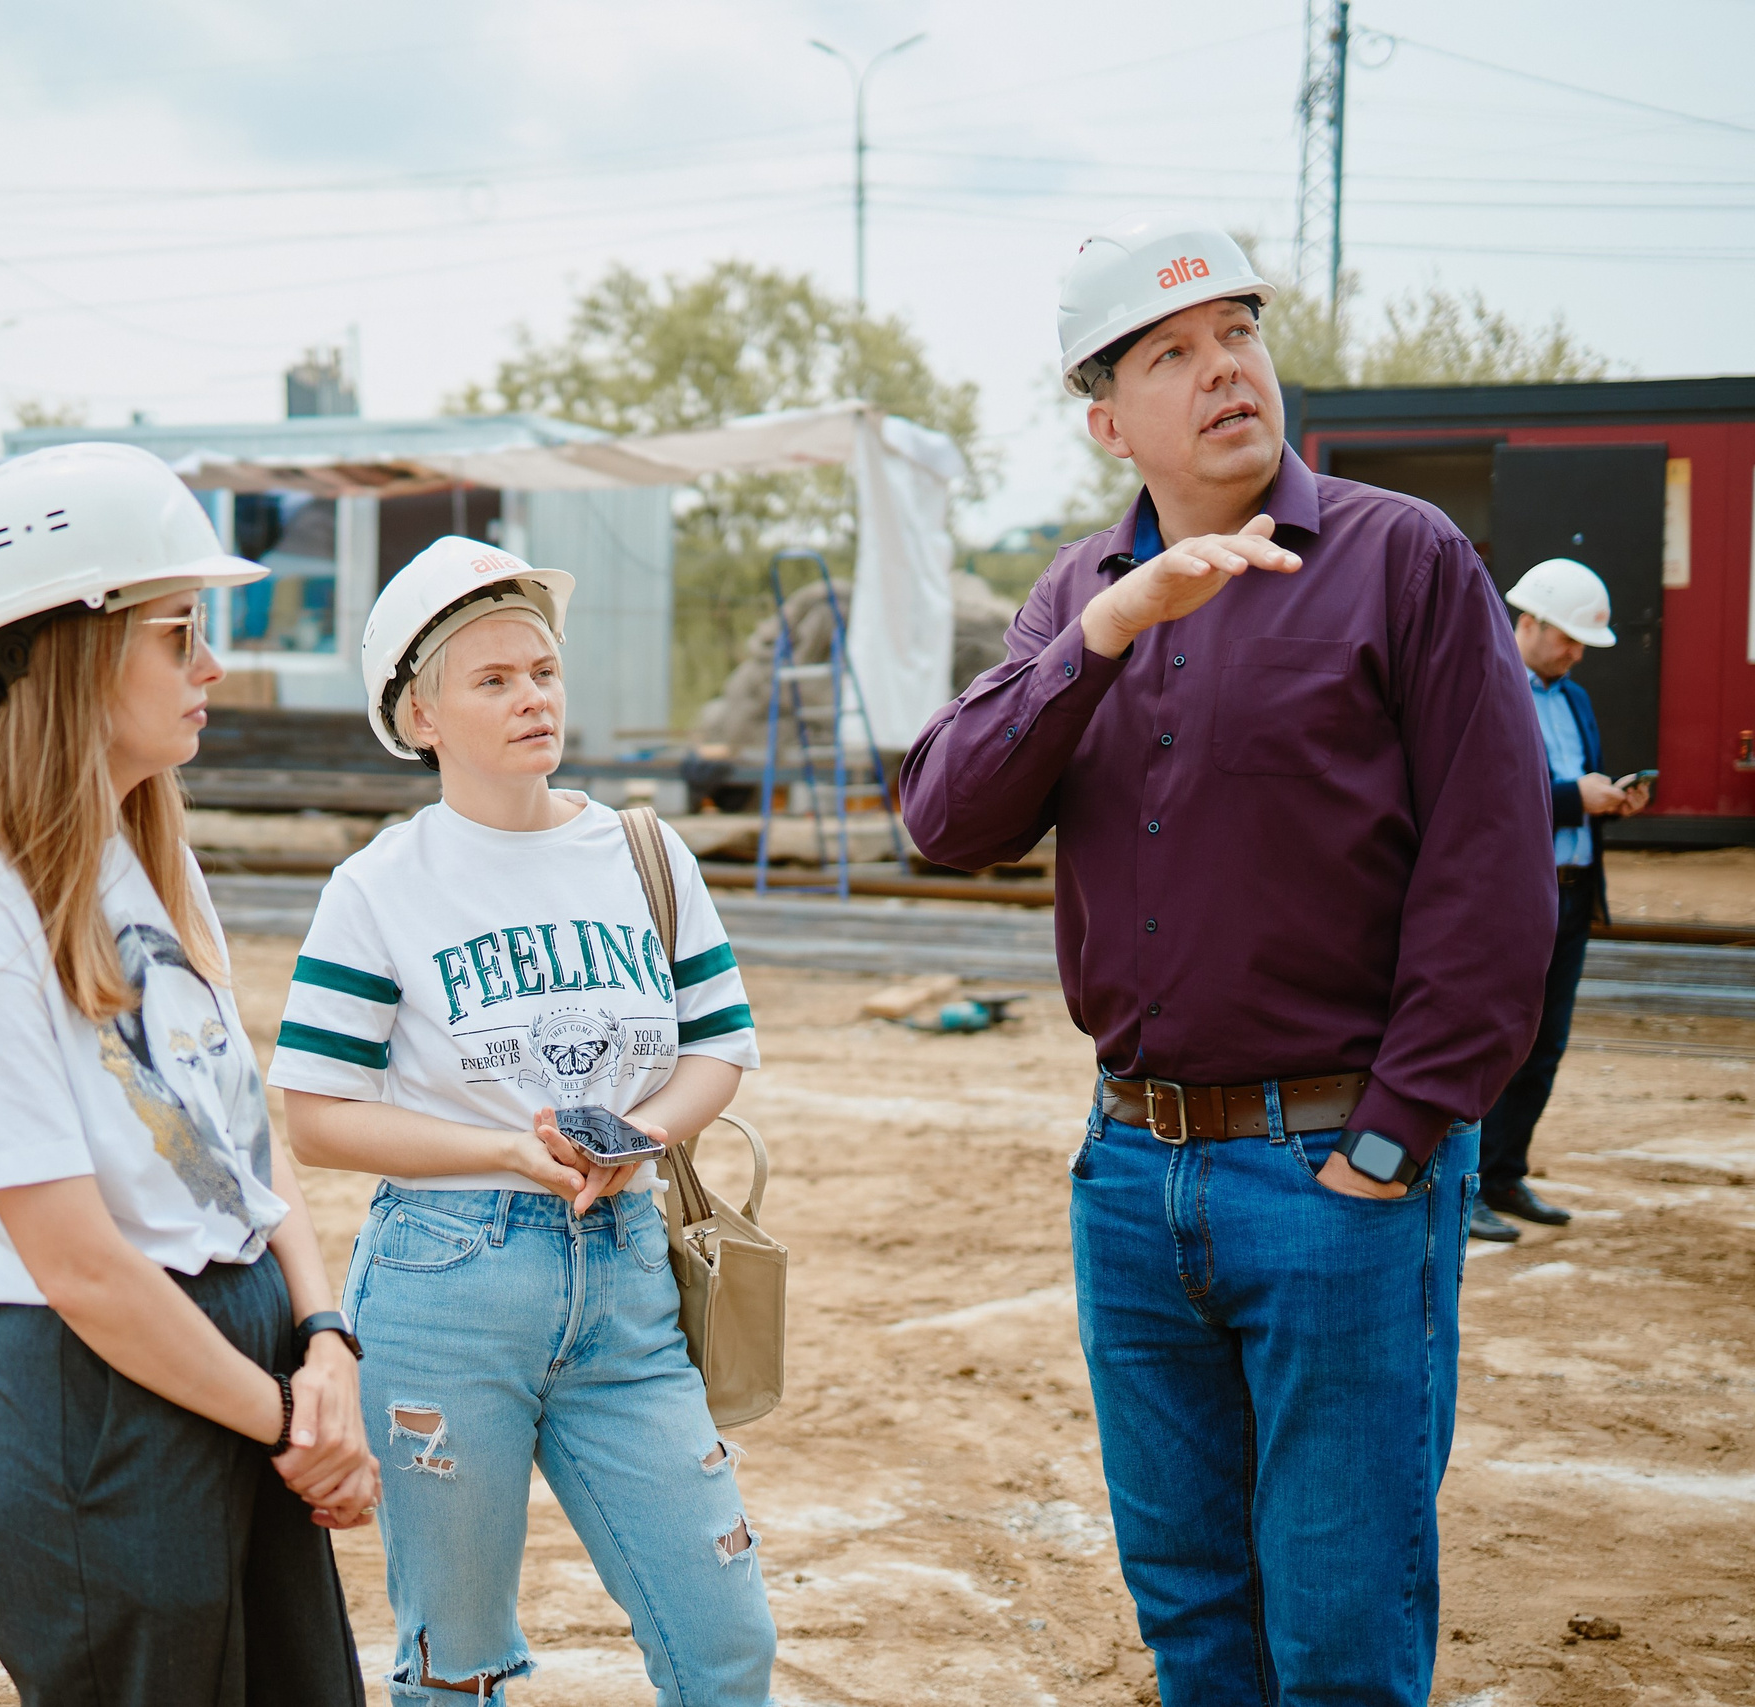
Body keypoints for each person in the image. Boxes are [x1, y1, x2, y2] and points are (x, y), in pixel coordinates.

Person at [899, 217, 1556, 1704]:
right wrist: (1113, 631)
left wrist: (1391, 1146)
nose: (1222, 373)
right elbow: (947, 815)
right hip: (1134, 1179)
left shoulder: (1405, 559)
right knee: (1194, 1620)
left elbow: (1494, 878)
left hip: (1336, 1178)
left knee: (1337, 1630)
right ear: (1105, 416)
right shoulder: (1080, 591)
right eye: (1172, 354)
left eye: (1239, 337)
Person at [0, 443, 377, 1706]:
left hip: (247, 1355)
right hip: (111, 1408)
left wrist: (324, 1342)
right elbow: (83, 1266)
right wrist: (287, 1424)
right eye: (180, 632)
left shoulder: (146, 850)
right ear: (73, 649)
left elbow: (239, 1156)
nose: (211, 665)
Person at [271, 536, 777, 1706]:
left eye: (541, 670)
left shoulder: (643, 852)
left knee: (725, 1640)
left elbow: (719, 1049)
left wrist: (638, 1139)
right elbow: (316, 1117)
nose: (531, 697)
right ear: (420, 713)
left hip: (626, 1276)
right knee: (456, 1666)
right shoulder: (380, 884)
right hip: (445, 1283)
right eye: (492, 680)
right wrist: (505, 1151)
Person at [1470, 558, 1651, 1242]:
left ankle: (1504, 1172)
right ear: (1528, 622)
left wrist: (1610, 799)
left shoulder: (1572, 697)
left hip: (1570, 894)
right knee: (1493, 1044)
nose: (1576, 653)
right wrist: (1580, 798)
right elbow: (1490, 793)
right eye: (1569, 639)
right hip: (1511, 901)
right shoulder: (1486, 688)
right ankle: (1467, 1182)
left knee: (1545, 1044)